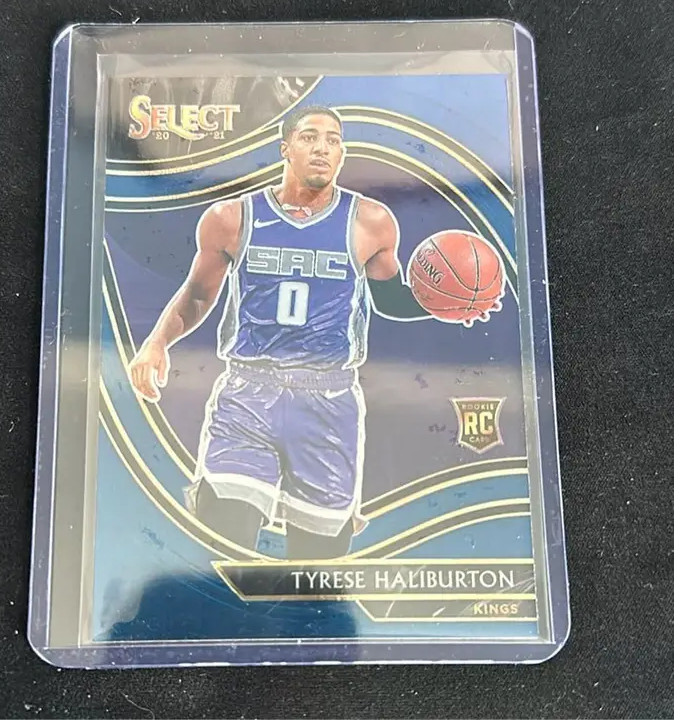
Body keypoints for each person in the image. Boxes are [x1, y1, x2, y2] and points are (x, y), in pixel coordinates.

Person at [129, 105, 489, 559]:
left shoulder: (370, 222)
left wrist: (450, 304)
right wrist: (156, 342)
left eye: (333, 140)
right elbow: (199, 295)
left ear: (341, 154)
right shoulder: (232, 218)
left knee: (317, 569)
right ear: (286, 148)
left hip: (329, 401)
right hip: (248, 394)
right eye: (309, 137)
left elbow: (389, 299)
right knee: (223, 546)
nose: (323, 147)